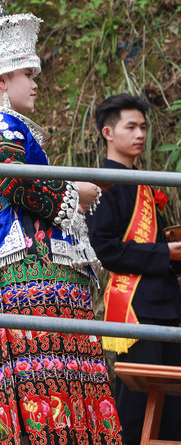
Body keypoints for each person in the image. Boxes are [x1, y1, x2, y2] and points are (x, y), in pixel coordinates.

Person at [0, 13, 121, 444]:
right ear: (2, 80)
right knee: (43, 386)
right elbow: (17, 182)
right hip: (27, 278)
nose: (35, 83)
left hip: (40, 278)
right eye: (28, 74)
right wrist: (74, 191)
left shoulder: (3, 126)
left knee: (58, 385)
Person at [86, 94, 181, 444]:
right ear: (108, 132)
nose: (140, 133)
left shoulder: (143, 181)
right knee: (136, 404)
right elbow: (104, 247)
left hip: (167, 305)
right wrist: (164, 252)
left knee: (173, 407)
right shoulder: (103, 184)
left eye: (143, 126)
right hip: (136, 310)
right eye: (131, 126)